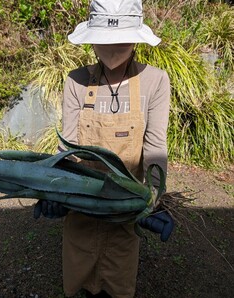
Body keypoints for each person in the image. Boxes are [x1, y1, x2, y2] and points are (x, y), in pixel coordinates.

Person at [34, 1, 174, 297]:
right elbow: (67, 147)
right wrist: (55, 193)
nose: (112, 48)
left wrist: (153, 200)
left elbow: (155, 147)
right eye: (105, 41)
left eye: (120, 39)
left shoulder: (155, 81)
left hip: (125, 213)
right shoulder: (76, 81)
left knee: (118, 285)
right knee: (79, 286)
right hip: (81, 212)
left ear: (136, 38)